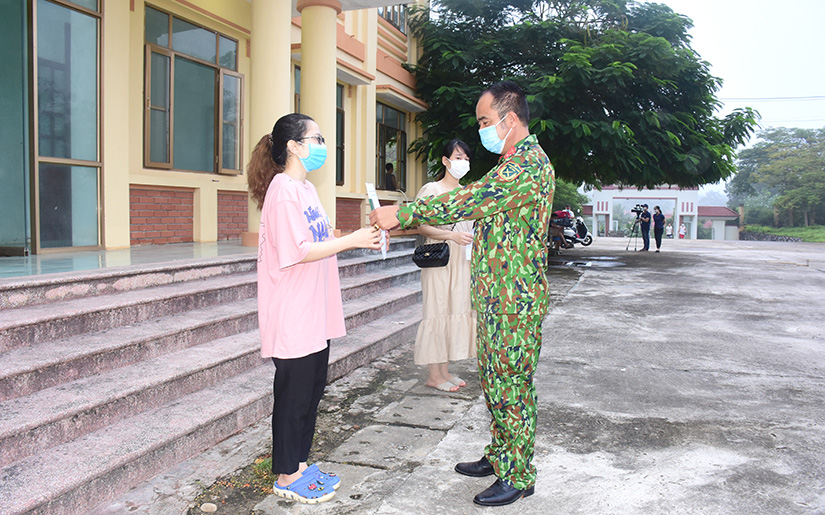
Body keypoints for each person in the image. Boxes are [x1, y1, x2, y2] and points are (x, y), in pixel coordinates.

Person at [370, 81, 554, 507]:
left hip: (514, 301)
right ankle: (502, 452)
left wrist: (403, 212)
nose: (482, 130)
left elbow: (467, 200)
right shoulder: (510, 163)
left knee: (511, 385)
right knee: (496, 381)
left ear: (510, 119)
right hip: (499, 296)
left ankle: (518, 473)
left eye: (486, 121)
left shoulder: (527, 165)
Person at [248, 113, 382, 504]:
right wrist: (353, 240)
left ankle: (300, 464)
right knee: (293, 398)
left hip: (314, 310)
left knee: (310, 394)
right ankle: (286, 475)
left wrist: (358, 236)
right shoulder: (282, 190)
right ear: (293, 146)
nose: (323, 145)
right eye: (316, 138)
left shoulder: (306, 189)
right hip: (293, 312)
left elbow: (319, 239)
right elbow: (298, 251)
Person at [414, 140, 477, 393]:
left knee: (454, 309)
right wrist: (451, 236)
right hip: (440, 259)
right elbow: (420, 225)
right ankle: (433, 375)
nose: (463, 162)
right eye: (458, 157)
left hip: (462, 260)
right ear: (445, 160)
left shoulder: (467, 193)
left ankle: (444, 371)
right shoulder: (432, 189)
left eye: (466, 158)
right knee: (437, 310)